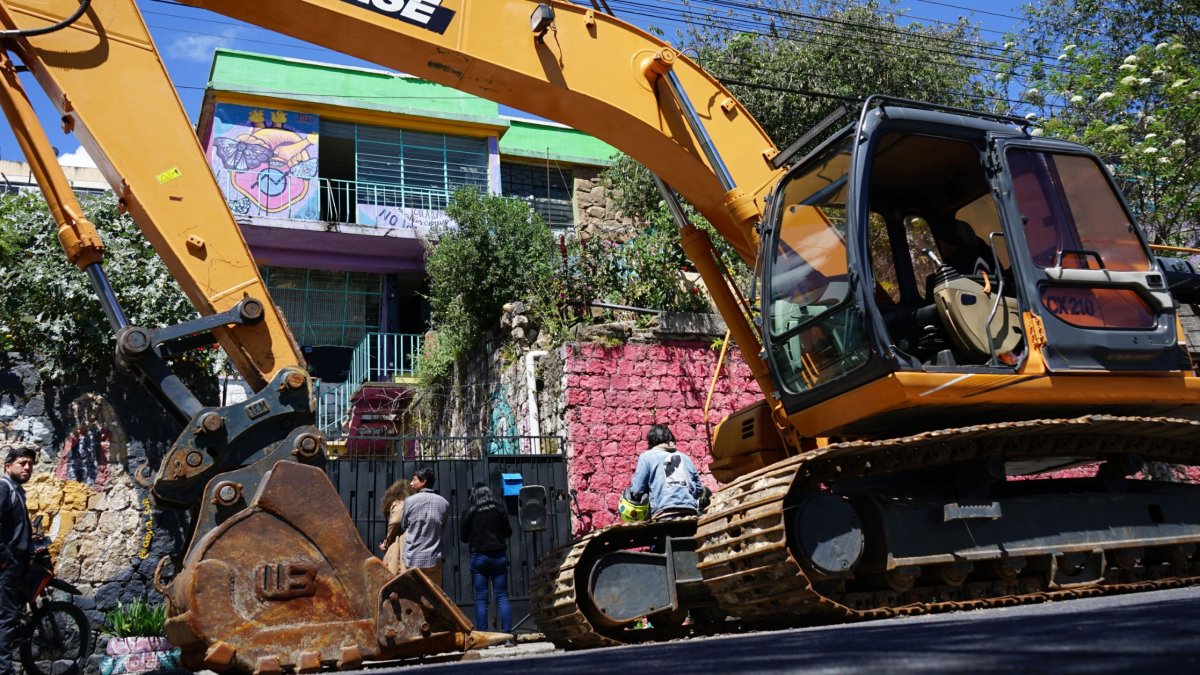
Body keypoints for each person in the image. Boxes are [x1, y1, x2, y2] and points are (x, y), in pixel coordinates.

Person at [459, 483, 513, 638]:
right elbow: (508, 532)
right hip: (498, 555)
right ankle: (507, 635)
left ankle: (483, 635)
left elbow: (463, 537)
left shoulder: (469, 512)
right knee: (501, 596)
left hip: (479, 557)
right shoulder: (499, 509)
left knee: (481, 597)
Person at [0, 447, 35, 675]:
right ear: (7, 466)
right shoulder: (4, 487)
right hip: (6, 565)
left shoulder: (16, 491)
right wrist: (4, 558)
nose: (27, 467)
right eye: (22, 463)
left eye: (30, 464)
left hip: (15, 562)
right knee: (6, 618)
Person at [628, 424, 705, 521]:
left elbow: (637, 490)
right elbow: (699, 489)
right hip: (690, 512)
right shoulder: (685, 458)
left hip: (663, 513)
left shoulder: (647, 457)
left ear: (651, 441)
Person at [398, 467, 449, 586]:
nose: (411, 483)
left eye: (414, 479)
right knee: (433, 598)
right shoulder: (444, 503)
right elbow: (442, 527)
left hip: (412, 559)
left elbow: (404, 525)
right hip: (434, 559)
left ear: (423, 481)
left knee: (411, 598)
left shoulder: (410, 501)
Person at [378, 479, 413, 575]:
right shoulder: (413, 503)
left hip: (399, 544)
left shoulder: (400, 503)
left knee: (395, 575)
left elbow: (396, 520)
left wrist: (387, 540)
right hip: (411, 545)